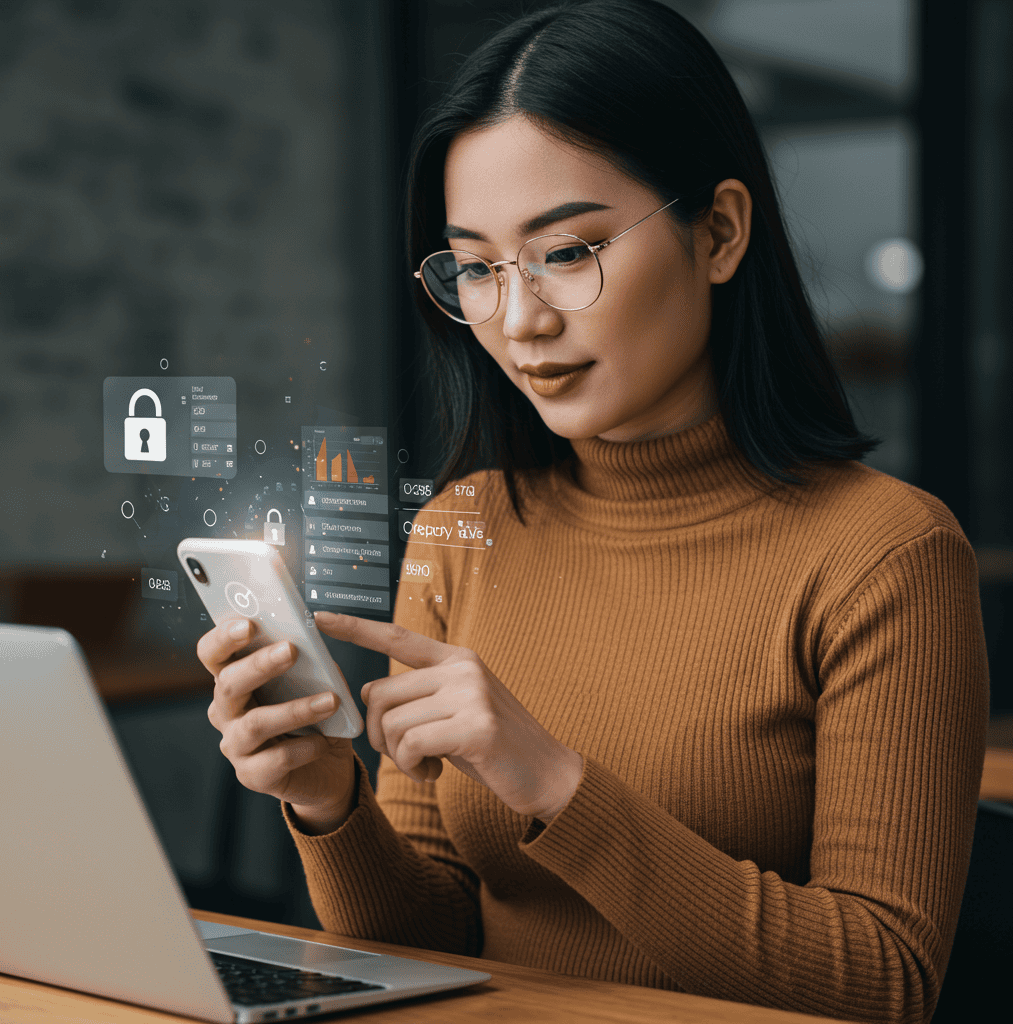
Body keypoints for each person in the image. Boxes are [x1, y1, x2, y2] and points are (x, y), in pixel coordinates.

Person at [197, 2, 989, 1021]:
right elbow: (425, 945)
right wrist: (326, 797)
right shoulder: (459, 530)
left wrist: (558, 787)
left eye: (566, 252)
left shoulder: (885, 554)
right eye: (476, 266)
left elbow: (883, 984)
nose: (518, 319)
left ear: (719, 232)